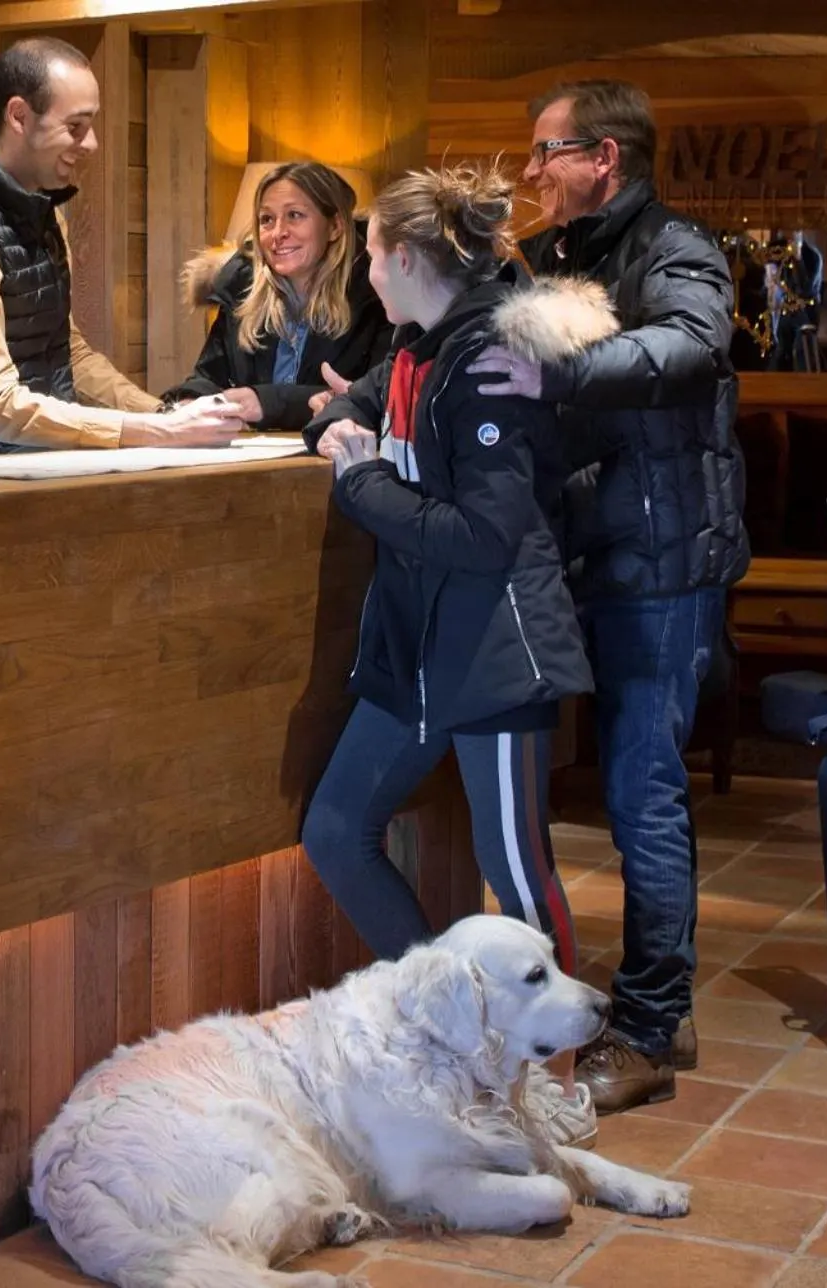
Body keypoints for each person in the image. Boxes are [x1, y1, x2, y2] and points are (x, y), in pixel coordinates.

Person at [299, 162, 618, 1144]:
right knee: (337, 828)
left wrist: (363, 484)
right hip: (422, 648)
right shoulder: (414, 344)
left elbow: (485, 536)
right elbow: (342, 404)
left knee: (516, 874)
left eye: (369, 256)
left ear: (401, 258)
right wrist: (330, 423)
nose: (364, 275)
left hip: (497, 651)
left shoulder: (486, 362)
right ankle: (456, 1038)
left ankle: (553, 1081)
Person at [467, 79, 751, 1114]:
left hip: (663, 566)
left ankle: (647, 1029)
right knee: (604, 791)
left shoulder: (677, 246)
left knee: (641, 794)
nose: (531, 171)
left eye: (547, 152)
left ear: (605, 158)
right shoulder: (555, 256)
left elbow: (692, 345)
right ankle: (633, 1009)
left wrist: (562, 376)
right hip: (586, 558)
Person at [0, 38, 243, 450]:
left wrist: (165, 414)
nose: (91, 143)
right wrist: (159, 431)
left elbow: (71, 355)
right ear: (19, 116)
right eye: (75, 126)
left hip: (42, 462)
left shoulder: (46, 214)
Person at [163, 162, 392, 432]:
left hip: (340, 453)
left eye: (295, 215)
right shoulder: (241, 288)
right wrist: (189, 400)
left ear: (335, 227)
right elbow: (209, 377)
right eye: (267, 219)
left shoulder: (378, 298)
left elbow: (377, 396)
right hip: (253, 454)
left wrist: (269, 403)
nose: (278, 233)